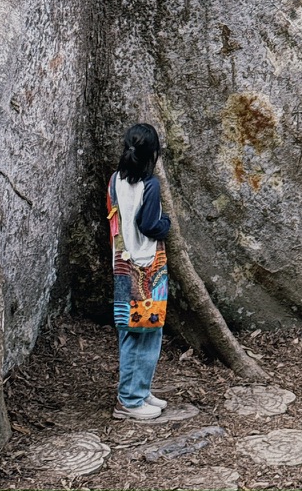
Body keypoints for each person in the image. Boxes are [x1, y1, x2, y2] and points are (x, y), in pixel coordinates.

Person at [107, 123, 171, 421]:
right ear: (153, 155)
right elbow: (149, 225)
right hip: (148, 268)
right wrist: (166, 224)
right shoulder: (151, 185)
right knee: (147, 333)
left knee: (130, 331)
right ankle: (130, 400)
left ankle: (139, 390)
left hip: (122, 265)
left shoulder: (114, 181)